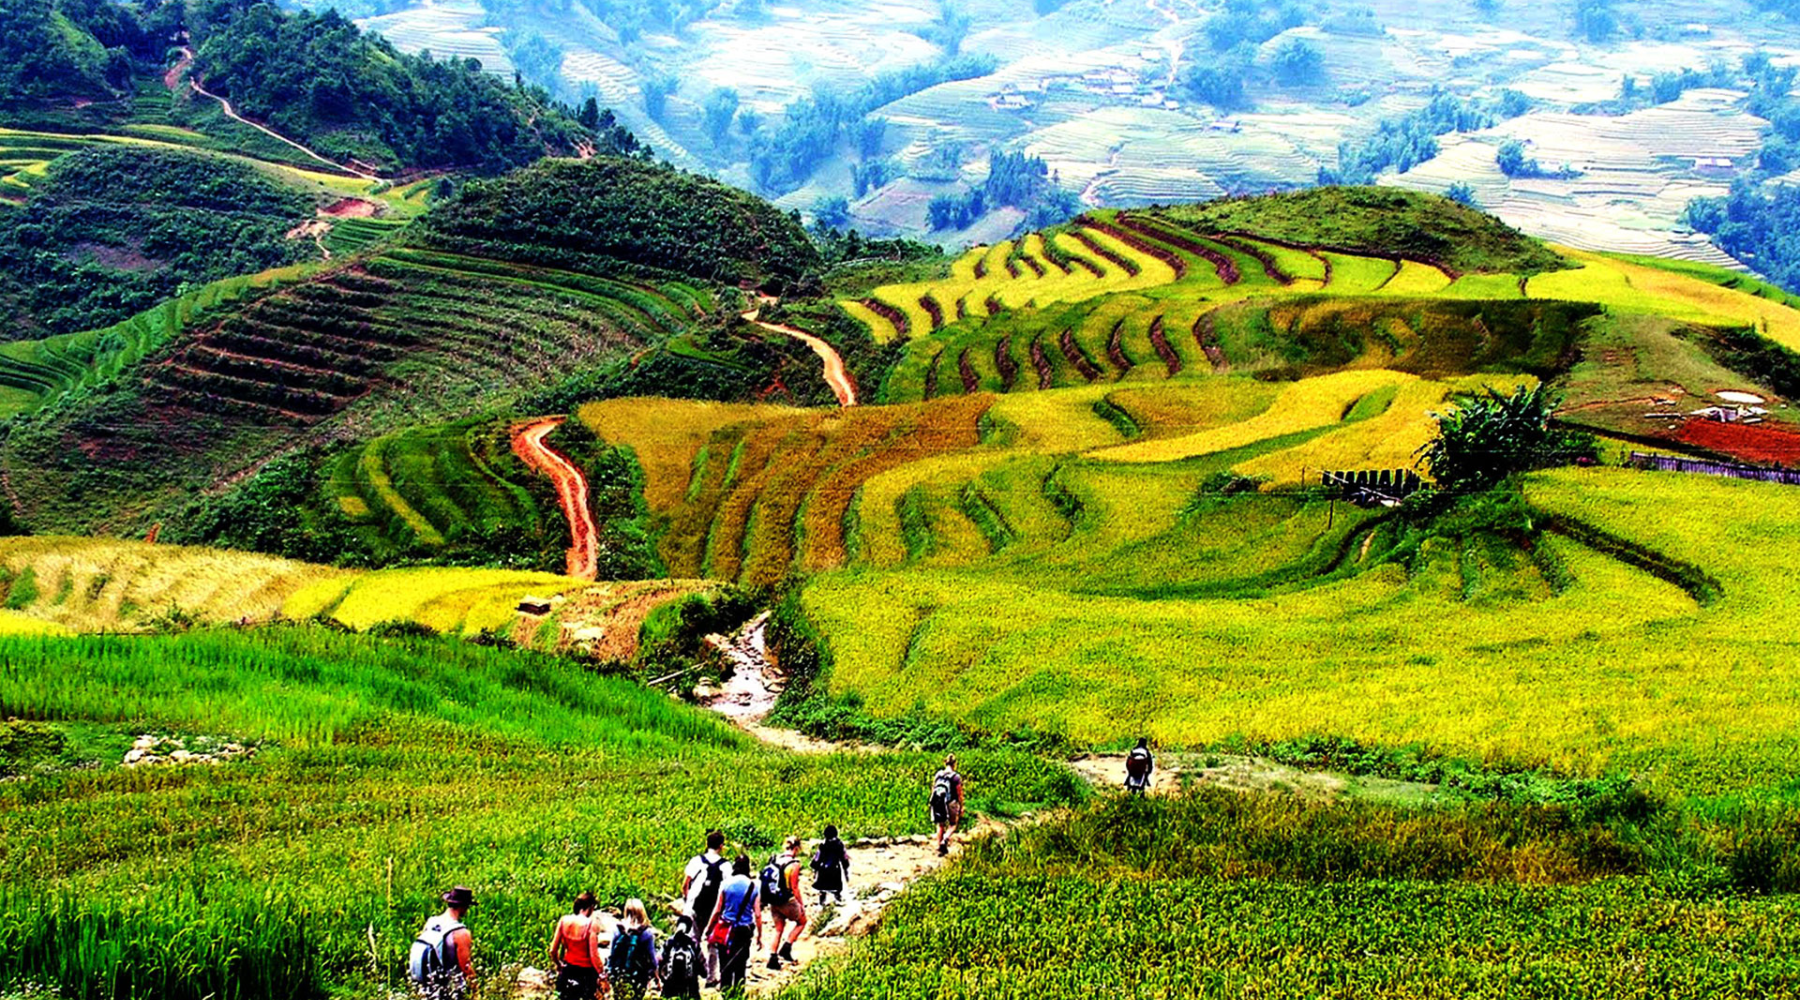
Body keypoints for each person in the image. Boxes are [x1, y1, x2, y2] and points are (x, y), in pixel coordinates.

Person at [408, 886, 477, 999]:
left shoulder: (432, 922)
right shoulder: (461, 933)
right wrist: (476, 992)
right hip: (448, 989)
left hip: (426, 985)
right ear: (464, 906)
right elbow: (466, 968)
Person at [706, 854, 761, 994]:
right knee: (740, 965)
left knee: (725, 964)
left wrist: (709, 928)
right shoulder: (754, 886)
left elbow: (717, 910)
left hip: (726, 929)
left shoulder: (726, 884)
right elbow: (758, 914)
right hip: (744, 930)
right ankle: (738, 993)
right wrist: (760, 936)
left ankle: (725, 992)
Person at [679, 830, 728, 987]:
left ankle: (691, 971)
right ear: (721, 846)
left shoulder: (696, 861)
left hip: (694, 905)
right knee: (713, 942)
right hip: (714, 909)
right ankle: (712, 976)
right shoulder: (726, 865)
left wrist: (687, 899)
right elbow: (726, 889)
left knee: (693, 939)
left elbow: (685, 883)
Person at [761, 836, 808, 970]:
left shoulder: (775, 859)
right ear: (797, 848)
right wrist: (801, 904)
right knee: (802, 922)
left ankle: (773, 957)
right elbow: (794, 887)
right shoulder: (794, 864)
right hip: (787, 900)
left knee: (778, 929)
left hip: (773, 899)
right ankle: (787, 947)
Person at [547, 891, 605, 1000]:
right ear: (591, 907)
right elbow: (594, 955)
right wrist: (602, 975)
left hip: (568, 969)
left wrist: (558, 964)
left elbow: (552, 950)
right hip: (586, 973)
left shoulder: (564, 921)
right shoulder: (591, 925)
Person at [608, 899, 660, 1000]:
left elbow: (611, 954)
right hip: (638, 977)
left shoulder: (617, 931)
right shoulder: (646, 933)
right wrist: (657, 978)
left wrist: (609, 974)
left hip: (618, 975)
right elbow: (653, 960)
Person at [659, 913, 705, 999]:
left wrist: (660, 977)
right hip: (690, 987)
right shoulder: (693, 944)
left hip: (670, 985)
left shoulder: (669, 942)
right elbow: (703, 969)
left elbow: (659, 959)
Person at [930, 755, 965, 856]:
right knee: (953, 824)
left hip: (937, 800)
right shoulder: (955, 777)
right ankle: (945, 839)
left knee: (940, 824)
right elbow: (959, 794)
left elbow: (933, 788)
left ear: (945, 763)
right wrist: (961, 807)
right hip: (951, 802)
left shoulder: (938, 774)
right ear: (955, 764)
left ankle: (939, 848)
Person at [809, 825, 851, 907]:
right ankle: (838, 899)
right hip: (835, 869)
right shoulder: (839, 844)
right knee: (836, 886)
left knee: (822, 887)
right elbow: (844, 857)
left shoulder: (823, 845)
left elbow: (817, 857)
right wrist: (846, 869)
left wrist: (815, 868)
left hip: (823, 869)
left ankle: (822, 902)